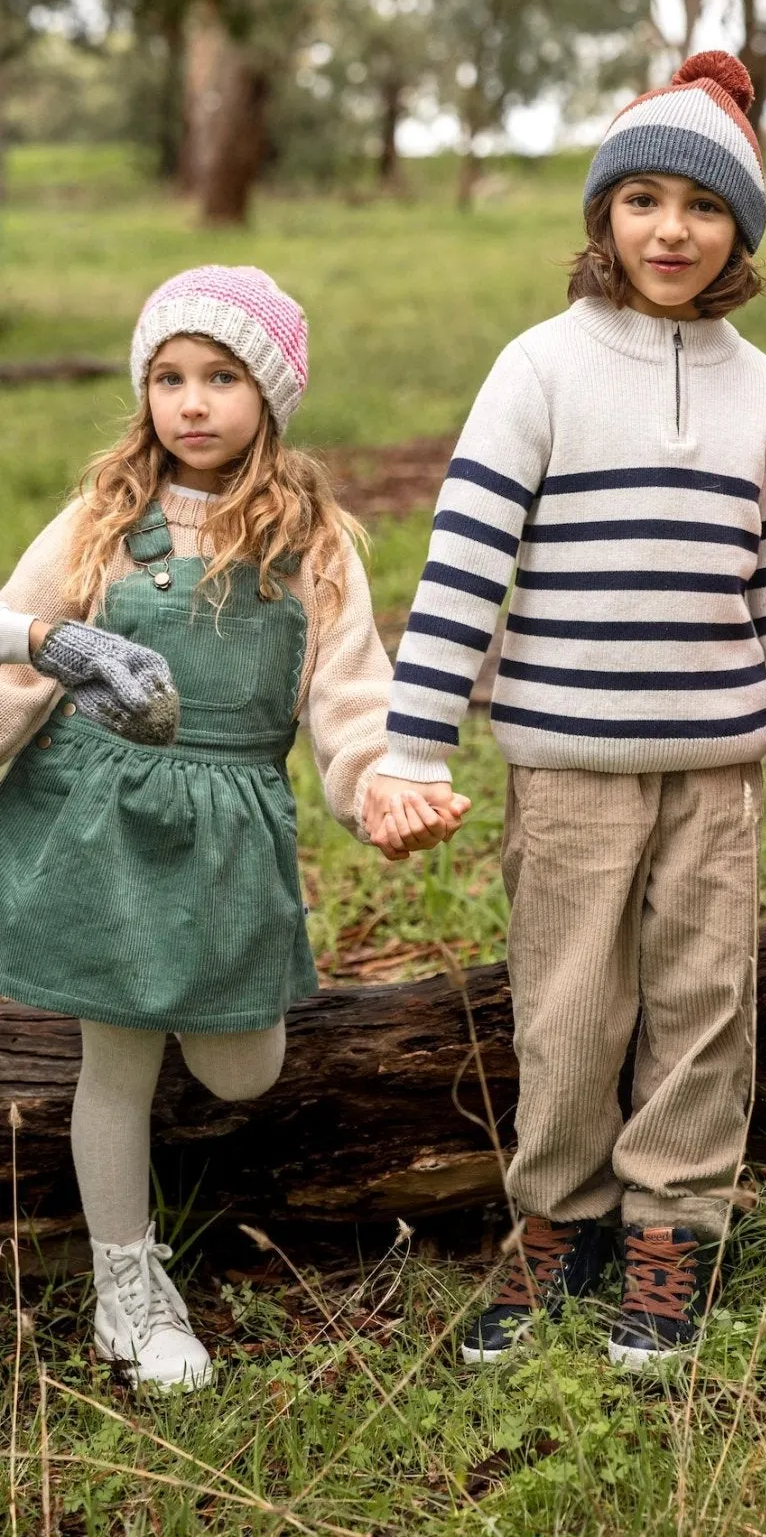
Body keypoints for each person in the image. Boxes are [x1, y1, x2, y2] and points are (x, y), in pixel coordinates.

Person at [368, 52, 766, 1370]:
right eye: (639, 201)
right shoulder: (540, 369)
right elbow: (463, 563)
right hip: (567, 762)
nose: (668, 231)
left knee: (700, 999)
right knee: (567, 1004)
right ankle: (556, 1218)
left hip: (717, 770)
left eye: (698, 208)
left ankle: (673, 1228)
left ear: (737, 229)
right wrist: (415, 743)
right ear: (601, 220)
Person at [0, 265, 465, 1390]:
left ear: (270, 394)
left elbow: (349, 696)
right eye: (169, 376)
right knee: (116, 1059)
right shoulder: (106, 516)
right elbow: (20, 642)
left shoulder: (311, 538)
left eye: (221, 376)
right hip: (105, 812)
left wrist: (381, 787)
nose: (192, 401)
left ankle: (180, 1121)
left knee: (243, 1066)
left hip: (229, 827)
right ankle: (127, 1285)